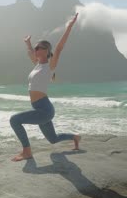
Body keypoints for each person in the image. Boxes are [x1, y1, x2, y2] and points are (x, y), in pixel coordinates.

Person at [10, 13, 81, 162]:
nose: (36, 50)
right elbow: (30, 53)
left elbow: (60, 48)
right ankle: (75, 137)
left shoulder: (50, 67)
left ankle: (27, 152)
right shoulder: (37, 65)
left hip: (44, 109)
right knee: (53, 139)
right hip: (39, 108)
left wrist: (69, 27)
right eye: (36, 48)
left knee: (14, 120)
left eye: (39, 48)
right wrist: (28, 43)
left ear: (47, 51)